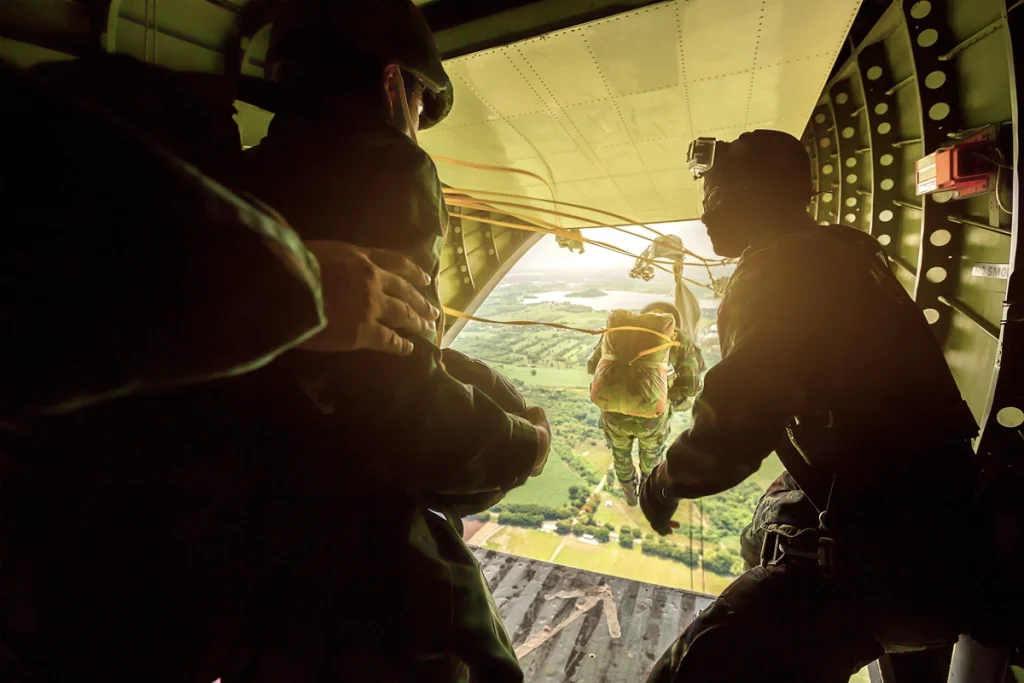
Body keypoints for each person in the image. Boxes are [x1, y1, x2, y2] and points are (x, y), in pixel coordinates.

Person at [232, 0, 551, 680]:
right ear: (390, 86)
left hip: (248, 551)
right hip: (354, 564)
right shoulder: (390, 167)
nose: (415, 126)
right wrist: (523, 446)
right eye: (419, 104)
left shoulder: (239, 176)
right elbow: (397, 407)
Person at [638, 129, 997, 681]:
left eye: (714, 198)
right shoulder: (844, 253)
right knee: (761, 533)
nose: (706, 217)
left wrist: (666, 479)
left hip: (884, 549)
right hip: (937, 523)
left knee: (696, 667)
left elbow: (737, 418)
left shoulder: (778, 267)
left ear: (755, 195)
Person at [588, 301, 703, 506]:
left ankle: (628, 491)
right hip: (652, 420)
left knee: (620, 454)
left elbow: (592, 366)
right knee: (651, 457)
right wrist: (667, 396)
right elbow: (692, 387)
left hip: (613, 415)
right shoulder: (678, 338)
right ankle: (647, 491)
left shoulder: (621, 332)